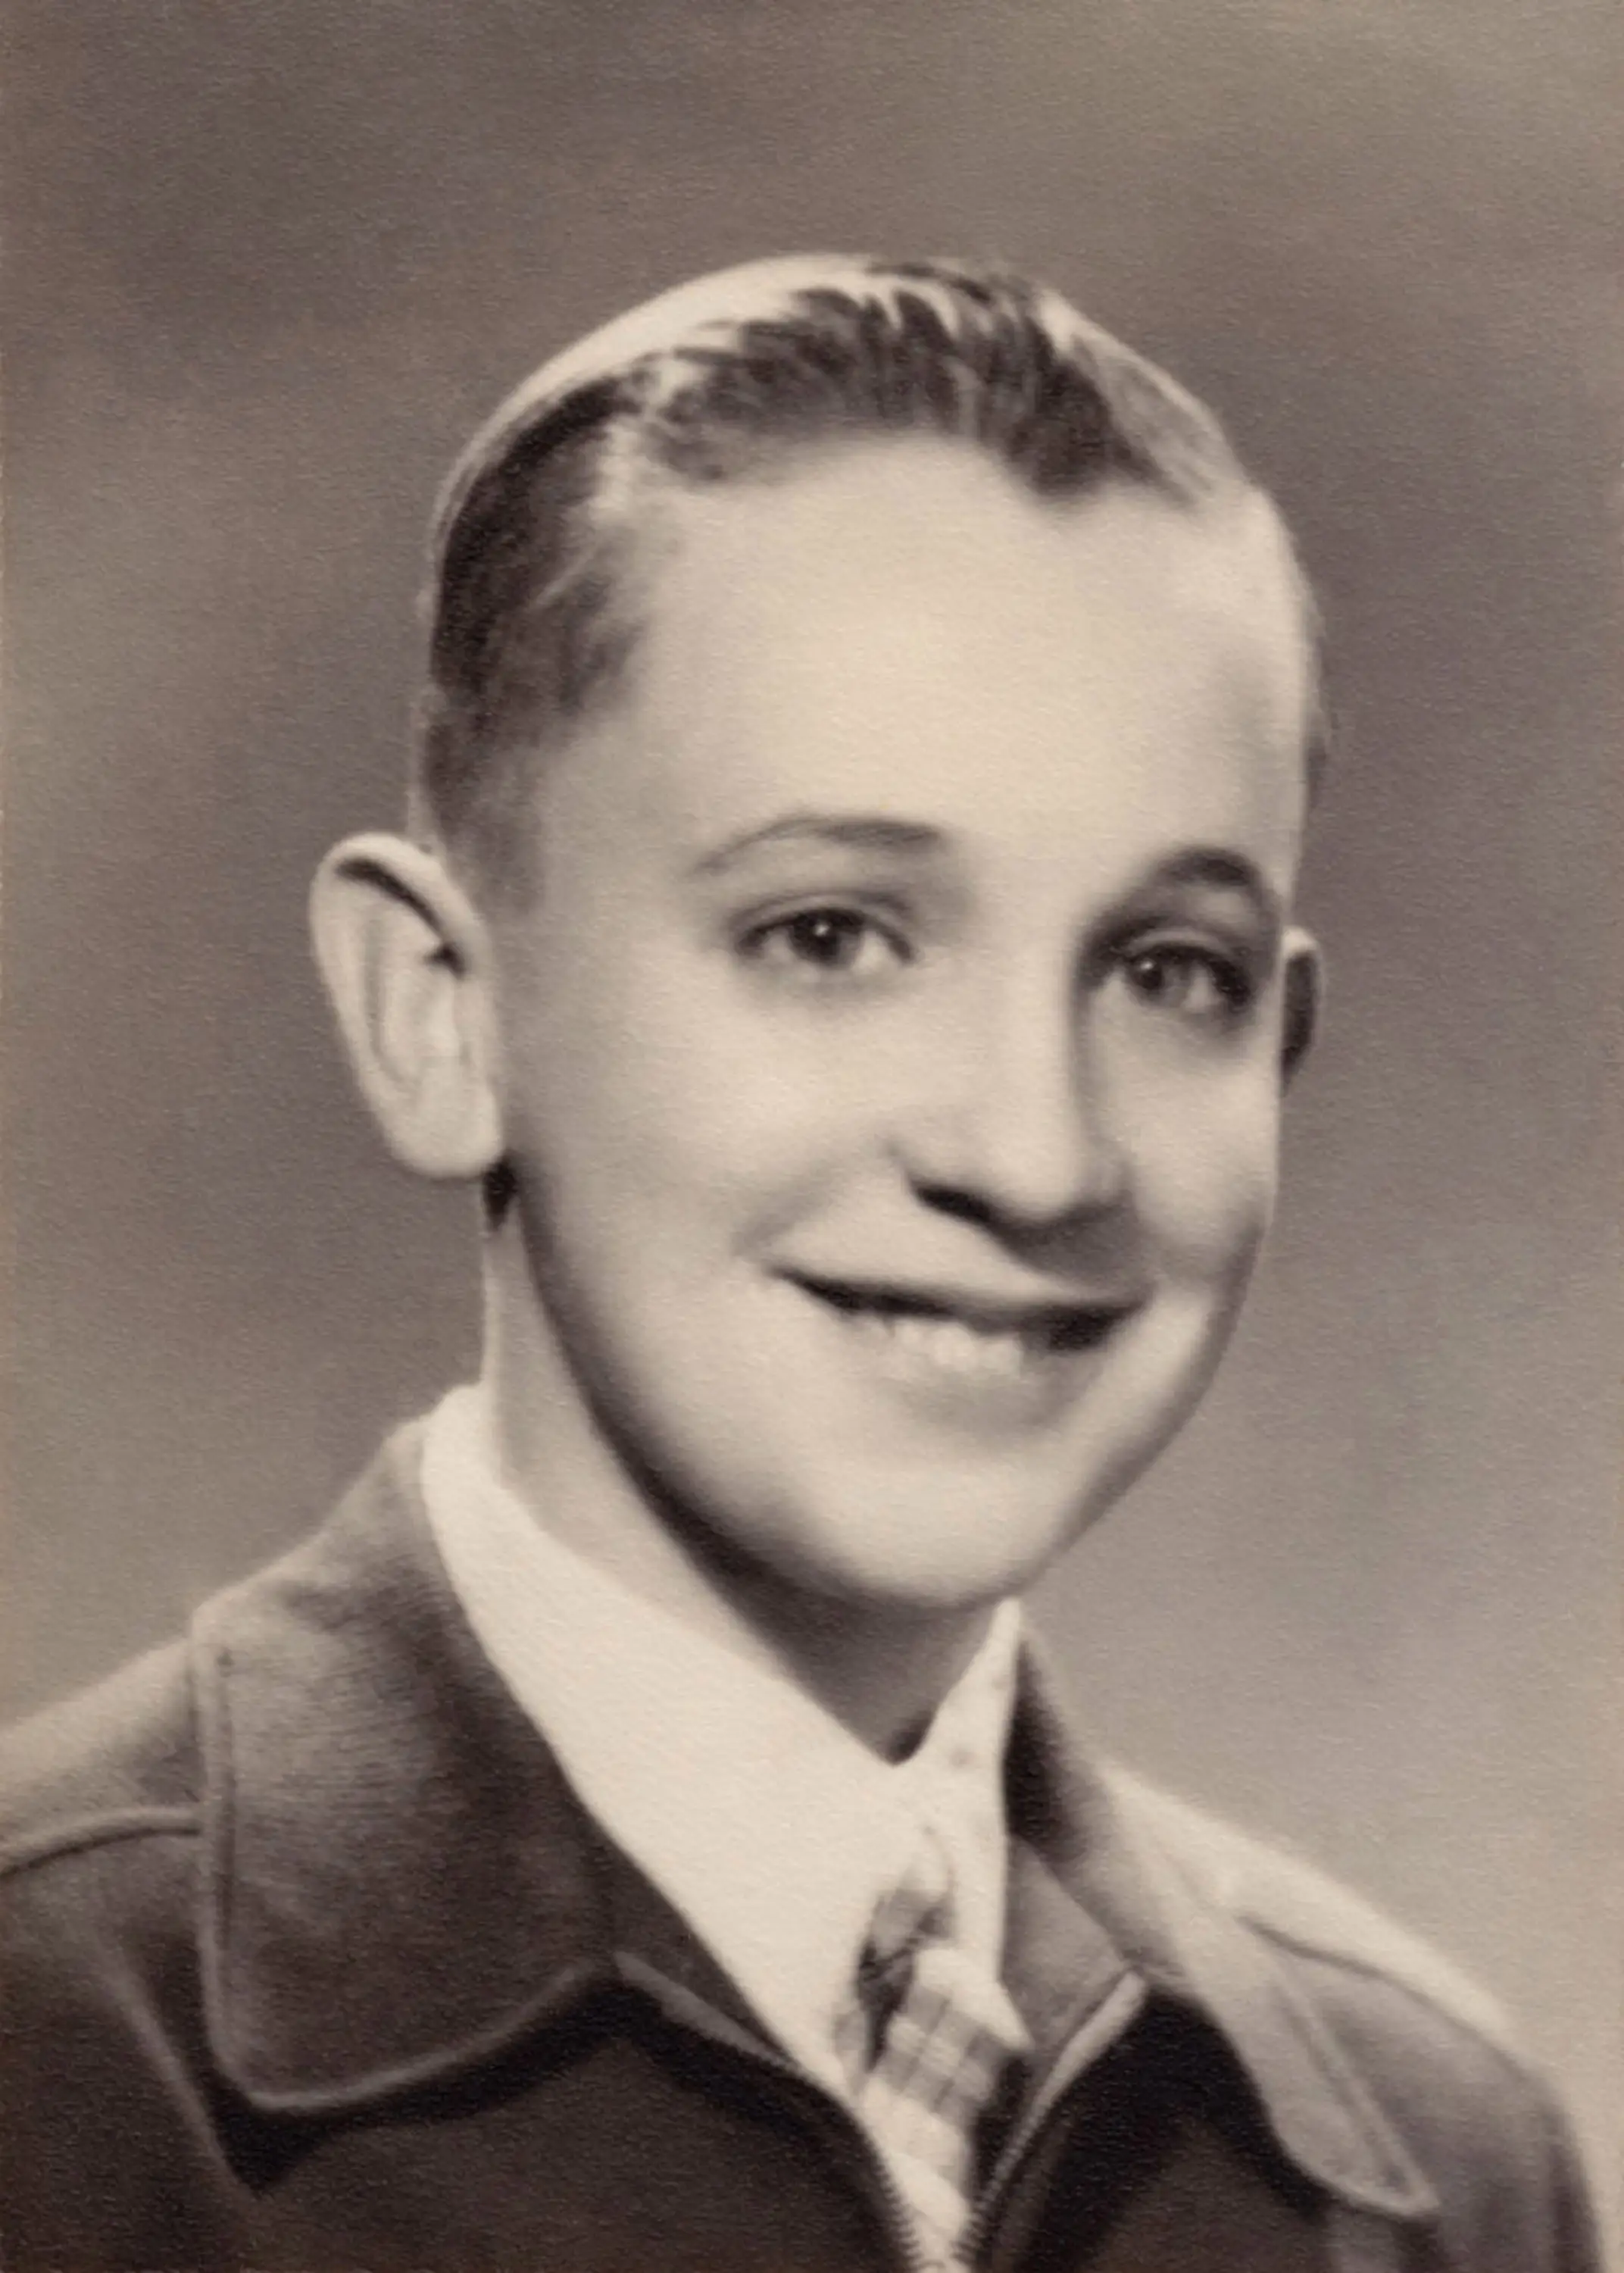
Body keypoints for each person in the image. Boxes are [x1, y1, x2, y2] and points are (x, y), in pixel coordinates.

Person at [0, 255, 1600, 2273]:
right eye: (830, 935)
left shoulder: (1426, 2167)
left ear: (1277, 1051)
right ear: (439, 1012)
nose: (1032, 1150)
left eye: (1163, 971)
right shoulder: (53, 2054)